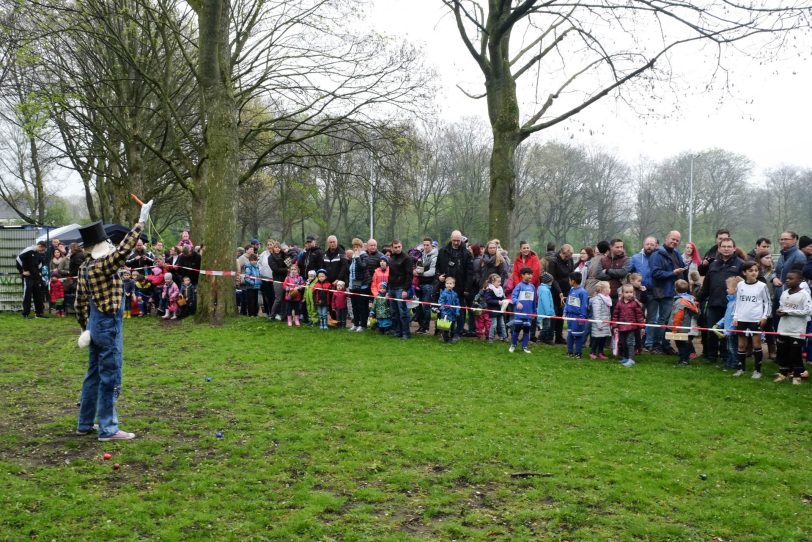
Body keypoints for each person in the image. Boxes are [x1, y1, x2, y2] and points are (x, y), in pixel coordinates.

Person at [74, 199, 153, 441]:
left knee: (94, 375)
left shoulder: (86, 267)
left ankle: (85, 423)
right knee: (111, 375)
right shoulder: (102, 265)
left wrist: (86, 327)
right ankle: (108, 428)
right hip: (109, 324)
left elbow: (79, 303)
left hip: (94, 323)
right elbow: (122, 252)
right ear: (101, 244)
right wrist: (140, 222)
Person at [698, 237, 743, 362]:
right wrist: (698, 298)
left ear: (734, 248)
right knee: (712, 330)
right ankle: (711, 356)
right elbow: (706, 285)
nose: (726, 249)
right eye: (724, 246)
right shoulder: (713, 264)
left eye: (729, 246)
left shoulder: (740, 264)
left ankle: (726, 356)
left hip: (731, 305)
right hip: (714, 303)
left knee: (728, 332)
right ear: (719, 248)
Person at [731, 261, 772, 379]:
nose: (754, 273)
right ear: (744, 273)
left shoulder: (762, 286)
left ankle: (757, 370)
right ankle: (740, 369)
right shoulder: (740, 285)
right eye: (750, 271)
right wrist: (735, 316)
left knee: (756, 345)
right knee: (741, 345)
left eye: (756, 270)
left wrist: (764, 316)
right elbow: (737, 302)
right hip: (742, 319)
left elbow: (767, 302)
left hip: (755, 320)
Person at [648, 231, 686, 353]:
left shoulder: (676, 254)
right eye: (672, 239)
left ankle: (666, 344)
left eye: (677, 240)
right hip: (661, 291)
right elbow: (655, 273)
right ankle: (657, 345)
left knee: (670, 320)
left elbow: (682, 269)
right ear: (667, 238)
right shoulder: (656, 254)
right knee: (662, 319)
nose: (674, 242)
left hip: (674, 292)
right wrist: (672, 273)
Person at [774, 270, 812, 384]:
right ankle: (783, 373)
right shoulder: (785, 292)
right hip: (783, 328)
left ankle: (796, 376)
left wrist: (788, 312)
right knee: (782, 352)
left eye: (791, 278)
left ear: (799, 280)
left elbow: (808, 311)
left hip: (797, 329)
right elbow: (782, 306)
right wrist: (779, 311)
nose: (787, 280)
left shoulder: (804, 294)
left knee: (795, 353)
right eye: (787, 278)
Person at [437, 231, 473, 338]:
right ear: (451, 239)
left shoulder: (466, 254)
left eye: (458, 240)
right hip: (445, 286)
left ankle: (457, 333)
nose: (456, 242)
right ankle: (444, 332)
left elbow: (470, 273)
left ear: (461, 239)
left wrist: (467, 288)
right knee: (443, 309)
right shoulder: (443, 251)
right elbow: (437, 267)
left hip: (460, 288)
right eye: (454, 240)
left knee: (459, 311)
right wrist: (438, 276)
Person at [713, 276, 743, 370]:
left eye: (728, 288)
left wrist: (729, 331)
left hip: (732, 331)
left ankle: (734, 364)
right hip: (728, 330)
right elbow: (726, 317)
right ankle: (729, 363)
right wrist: (718, 324)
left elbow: (735, 319)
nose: (726, 289)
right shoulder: (730, 301)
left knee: (732, 348)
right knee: (729, 348)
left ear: (734, 289)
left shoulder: (737, 303)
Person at [547, 244, 575, 344]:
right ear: (561, 252)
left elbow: (571, 274)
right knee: (553, 313)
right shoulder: (553, 261)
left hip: (567, 290)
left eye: (569, 257)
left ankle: (559, 337)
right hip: (555, 290)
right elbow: (552, 278)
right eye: (566, 256)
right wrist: (559, 292)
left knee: (561, 313)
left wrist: (573, 287)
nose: (567, 259)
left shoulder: (570, 260)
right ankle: (549, 336)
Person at [387, 240, 414, 340]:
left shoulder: (407, 258)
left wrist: (405, 290)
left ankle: (406, 333)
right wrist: (387, 290)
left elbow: (409, 275)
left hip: (401, 288)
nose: (397, 249)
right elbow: (390, 274)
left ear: (401, 246)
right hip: (391, 288)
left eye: (399, 246)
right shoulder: (391, 258)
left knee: (403, 312)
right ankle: (398, 331)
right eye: (395, 247)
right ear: (392, 248)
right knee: (394, 312)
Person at [612, 284, 645, 368]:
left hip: (632, 328)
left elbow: (639, 315)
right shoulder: (619, 303)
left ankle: (631, 359)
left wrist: (642, 327)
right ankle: (625, 357)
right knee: (623, 343)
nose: (629, 294)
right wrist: (615, 326)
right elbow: (615, 315)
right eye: (627, 292)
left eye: (631, 292)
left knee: (630, 343)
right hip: (621, 327)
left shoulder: (635, 303)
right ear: (622, 293)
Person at [668, 279, 700, 366]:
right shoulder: (690, 299)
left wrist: (675, 328)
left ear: (675, 289)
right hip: (688, 326)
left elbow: (678, 315)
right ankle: (684, 358)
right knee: (684, 343)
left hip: (681, 327)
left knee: (681, 343)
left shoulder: (680, 301)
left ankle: (684, 360)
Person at [16, 241, 47, 319]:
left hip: (36, 277)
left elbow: (40, 263)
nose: (42, 251)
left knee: (38, 295)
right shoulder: (28, 250)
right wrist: (22, 271)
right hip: (28, 277)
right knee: (27, 295)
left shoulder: (38, 253)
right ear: (39, 246)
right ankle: (25, 314)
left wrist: (38, 273)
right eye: (42, 249)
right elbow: (18, 259)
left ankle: (39, 313)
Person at [414, 237, 438, 334]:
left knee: (426, 306)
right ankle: (421, 326)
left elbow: (432, 271)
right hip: (419, 284)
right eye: (424, 245)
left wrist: (420, 274)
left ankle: (426, 327)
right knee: (418, 306)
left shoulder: (435, 256)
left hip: (429, 284)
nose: (425, 246)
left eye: (427, 245)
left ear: (431, 245)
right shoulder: (421, 255)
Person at [509, 267, 536, 354]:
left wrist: (534, 313)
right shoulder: (519, 286)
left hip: (528, 314)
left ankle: (524, 346)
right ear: (522, 275)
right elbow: (513, 297)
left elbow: (534, 301)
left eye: (531, 274)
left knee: (527, 331)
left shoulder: (532, 287)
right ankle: (513, 345)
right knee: (516, 330)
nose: (530, 276)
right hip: (519, 314)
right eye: (528, 274)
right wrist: (517, 303)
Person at [595, 239, 630, 303]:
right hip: (604, 295)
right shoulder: (603, 260)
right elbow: (598, 275)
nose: (620, 249)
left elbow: (623, 272)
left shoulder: (626, 259)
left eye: (621, 247)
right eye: (617, 247)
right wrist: (615, 275)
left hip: (620, 296)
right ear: (611, 247)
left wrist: (607, 271)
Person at [564, 271, 589, 358]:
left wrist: (582, 316)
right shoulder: (571, 290)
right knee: (570, 334)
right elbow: (568, 302)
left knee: (578, 335)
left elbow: (584, 305)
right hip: (570, 317)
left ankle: (578, 353)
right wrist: (565, 312)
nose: (569, 281)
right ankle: (570, 352)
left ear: (573, 281)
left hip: (578, 317)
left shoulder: (582, 292)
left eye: (569, 280)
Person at [589, 281, 612, 360]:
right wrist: (599, 324)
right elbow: (596, 313)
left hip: (605, 323)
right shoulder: (597, 300)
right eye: (608, 288)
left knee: (603, 338)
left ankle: (600, 352)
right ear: (602, 289)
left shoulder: (607, 299)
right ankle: (592, 352)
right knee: (596, 339)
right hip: (598, 324)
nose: (610, 289)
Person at [484, 273, 507, 342]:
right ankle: (491, 338)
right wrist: (498, 302)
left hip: (500, 310)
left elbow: (502, 298)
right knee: (494, 324)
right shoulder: (489, 290)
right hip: (493, 310)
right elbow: (488, 300)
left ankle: (504, 337)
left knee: (502, 324)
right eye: (498, 282)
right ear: (493, 282)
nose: (500, 283)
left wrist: (504, 301)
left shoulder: (500, 289)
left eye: (500, 281)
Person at [438, 276, 461, 344]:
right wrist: (443, 311)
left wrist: (457, 311)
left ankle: (452, 338)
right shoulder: (443, 294)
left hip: (453, 314)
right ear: (445, 284)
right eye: (447, 283)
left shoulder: (455, 294)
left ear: (453, 285)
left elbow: (457, 304)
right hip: (445, 314)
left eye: (451, 283)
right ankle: (446, 340)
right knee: (445, 328)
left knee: (453, 327)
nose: (449, 285)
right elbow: (440, 303)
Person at [536, 273, 556, 344]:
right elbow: (546, 302)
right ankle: (540, 339)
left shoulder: (542, 288)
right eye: (551, 280)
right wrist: (549, 312)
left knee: (546, 326)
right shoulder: (545, 290)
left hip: (544, 311)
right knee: (547, 326)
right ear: (547, 281)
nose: (552, 282)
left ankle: (544, 339)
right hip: (546, 312)